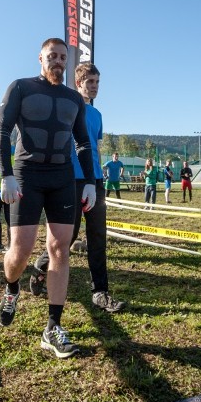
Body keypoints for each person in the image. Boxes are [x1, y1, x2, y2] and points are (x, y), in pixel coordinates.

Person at [0, 37, 97, 359]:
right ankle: (12, 289)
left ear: (67, 62)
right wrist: (6, 175)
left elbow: (83, 143)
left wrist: (91, 183)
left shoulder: (74, 99)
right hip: (26, 175)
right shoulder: (21, 88)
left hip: (62, 178)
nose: (57, 61)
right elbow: (2, 131)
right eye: (51, 56)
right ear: (40, 57)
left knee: (59, 249)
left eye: (62, 57)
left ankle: (52, 327)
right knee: (21, 250)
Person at [29, 63, 125, 313]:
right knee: (66, 237)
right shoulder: (66, 108)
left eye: (97, 82)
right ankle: (41, 266)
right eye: (89, 82)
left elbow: (94, 146)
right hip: (69, 180)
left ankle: (100, 292)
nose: (94, 87)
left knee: (97, 237)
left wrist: (97, 176)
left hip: (95, 182)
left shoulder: (97, 115)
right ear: (78, 83)